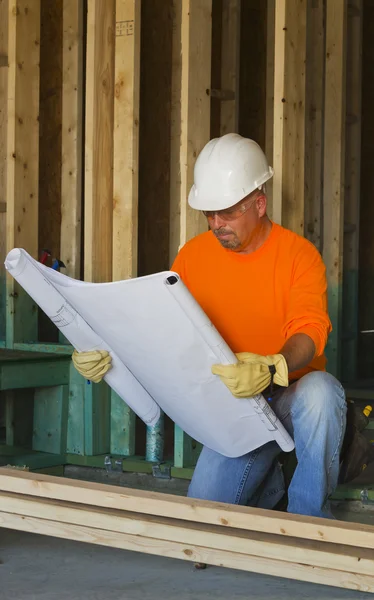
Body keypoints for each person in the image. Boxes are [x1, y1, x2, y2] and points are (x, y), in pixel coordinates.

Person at [72, 133, 347, 519]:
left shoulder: (299, 256)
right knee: (199, 524)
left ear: (260, 203)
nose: (217, 224)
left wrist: (272, 367)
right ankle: (271, 485)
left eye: (228, 212)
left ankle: (308, 521)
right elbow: (165, 331)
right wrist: (108, 353)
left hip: (288, 396)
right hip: (231, 413)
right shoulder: (193, 256)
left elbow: (310, 331)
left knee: (323, 392)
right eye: (209, 214)